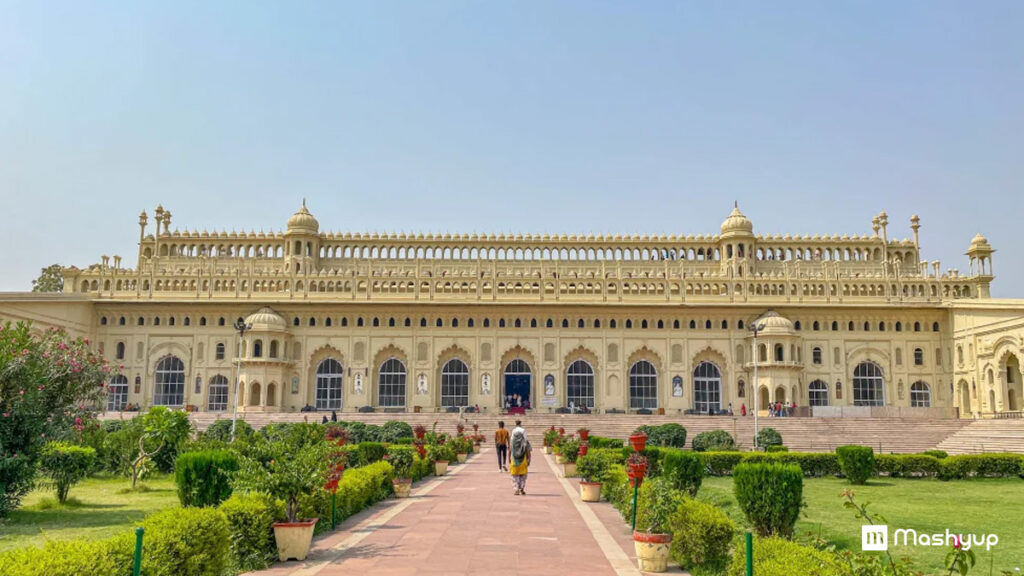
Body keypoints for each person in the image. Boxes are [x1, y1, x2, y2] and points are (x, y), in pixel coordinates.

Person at [509, 420, 531, 495]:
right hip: (523, 459)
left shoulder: (513, 441)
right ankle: (521, 488)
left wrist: (509, 458)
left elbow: (510, 450)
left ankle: (516, 489)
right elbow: (528, 451)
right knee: (523, 475)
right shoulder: (524, 442)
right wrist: (529, 460)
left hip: (514, 459)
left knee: (515, 475)